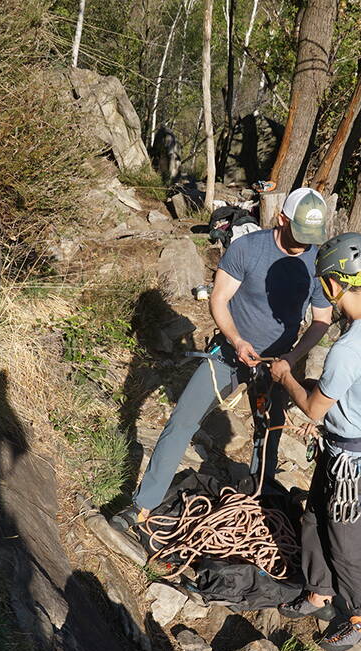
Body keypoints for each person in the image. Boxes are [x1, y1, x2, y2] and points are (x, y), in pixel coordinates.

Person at [111, 188, 334, 531]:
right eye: (299, 234)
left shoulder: (316, 261)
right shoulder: (248, 248)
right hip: (230, 355)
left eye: (311, 238)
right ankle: (143, 504)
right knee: (182, 421)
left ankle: (261, 511)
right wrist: (237, 341)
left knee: (268, 436)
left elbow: (321, 319)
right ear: (281, 219)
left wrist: (291, 358)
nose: (304, 244)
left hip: (277, 365)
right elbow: (219, 299)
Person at [272, 232, 361, 651]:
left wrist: (286, 377)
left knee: (349, 545)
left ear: (333, 285)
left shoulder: (348, 349)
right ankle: (319, 592)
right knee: (314, 517)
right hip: (352, 451)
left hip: (357, 466)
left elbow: (313, 410)